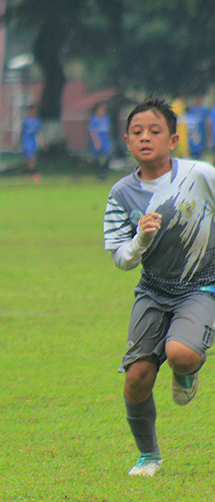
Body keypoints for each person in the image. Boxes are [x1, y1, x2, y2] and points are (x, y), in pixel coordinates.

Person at [102, 96, 215, 477]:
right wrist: (139, 241)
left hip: (202, 285)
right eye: (137, 132)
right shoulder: (121, 194)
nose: (145, 138)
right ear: (127, 140)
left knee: (180, 353)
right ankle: (149, 456)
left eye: (155, 131)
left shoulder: (199, 175)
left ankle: (186, 370)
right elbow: (121, 258)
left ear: (173, 139)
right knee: (136, 378)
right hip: (152, 290)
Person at [88, 103, 112, 180]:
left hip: (105, 139)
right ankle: (98, 173)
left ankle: (104, 171)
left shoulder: (106, 118)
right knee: (96, 158)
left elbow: (108, 129)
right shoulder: (94, 120)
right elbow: (92, 132)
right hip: (98, 139)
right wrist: (96, 141)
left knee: (108, 155)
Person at [20, 105, 42, 179]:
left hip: (33, 141)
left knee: (32, 159)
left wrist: (42, 141)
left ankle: (26, 174)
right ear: (30, 111)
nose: (34, 112)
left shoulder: (37, 121)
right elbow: (22, 132)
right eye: (32, 110)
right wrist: (20, 141)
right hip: (27, 141)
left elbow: (39, 132)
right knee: (30, 158)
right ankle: (35, 174)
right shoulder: (26, 121)